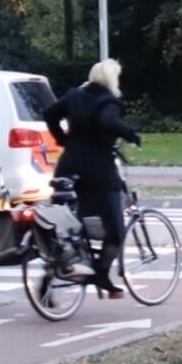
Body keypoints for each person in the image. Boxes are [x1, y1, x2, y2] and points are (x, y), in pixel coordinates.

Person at [43, 60, 142, 298]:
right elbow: (108, 121)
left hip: (68, 166)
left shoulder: (74, 95)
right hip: (98, 171)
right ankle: (102, 275)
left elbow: (49, 114)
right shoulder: (109, 101)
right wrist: (130, 134)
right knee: (115, 229)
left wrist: (62, 140)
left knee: (64, 227)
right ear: (112, 79)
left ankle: (50, 275)